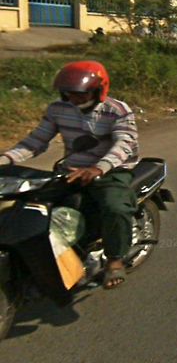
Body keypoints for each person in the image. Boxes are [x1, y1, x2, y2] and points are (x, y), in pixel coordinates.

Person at [0, 61, 140, 289]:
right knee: (31, 205)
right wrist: (5, 159)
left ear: (98, 90)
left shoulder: (117, 111)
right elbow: (36, 141)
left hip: (111, 171)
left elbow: (124, 144)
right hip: (71, 170)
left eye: (79, 93)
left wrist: (98, 168)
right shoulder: (58, 109)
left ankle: (115, 260)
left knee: (115, 207)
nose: (73, 98)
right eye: (68, 93)